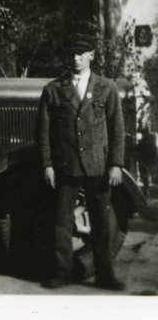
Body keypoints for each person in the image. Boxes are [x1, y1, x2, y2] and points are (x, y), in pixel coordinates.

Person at [37, 32, 125, 291]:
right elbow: (43, 132)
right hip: (66, 165)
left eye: (81, 54)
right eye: (71, 54)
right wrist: (47, 165)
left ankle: (105, 276)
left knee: (102, 224)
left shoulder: (106, 87)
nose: (76, 59)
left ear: (91, 55)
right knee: (62, 222)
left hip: (98, 164)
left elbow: (116, 129)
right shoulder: (54, 89)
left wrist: (116, 164)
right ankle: (62, 273)